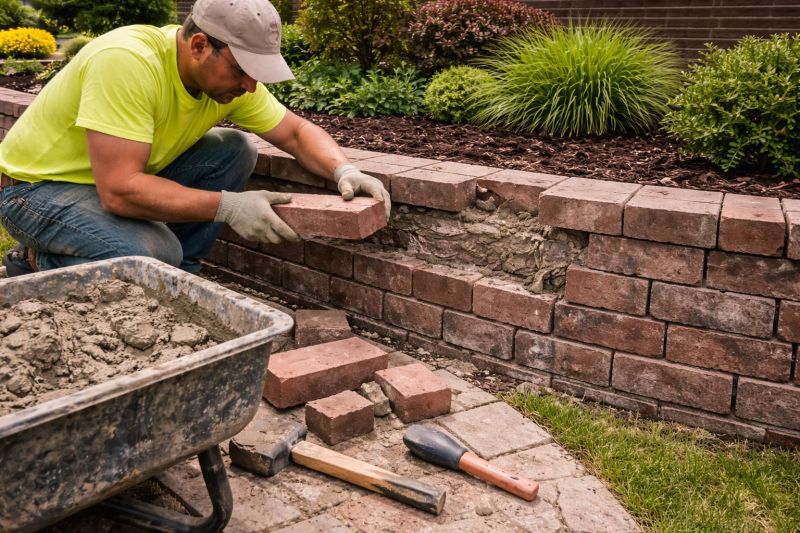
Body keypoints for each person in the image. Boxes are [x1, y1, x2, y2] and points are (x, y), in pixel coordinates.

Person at [0, 0, 390, 277]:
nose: (250, 85)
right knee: (154, 252)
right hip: (34, 192)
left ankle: (179, 278)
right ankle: (38, 263)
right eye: (242, 70)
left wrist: (344, 168)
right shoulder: (127, 61)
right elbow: (119, 190)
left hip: (107, 182)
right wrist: (230, 207)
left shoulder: (225, 80)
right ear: (200, 46)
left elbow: (297, 132)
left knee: (234, 149)